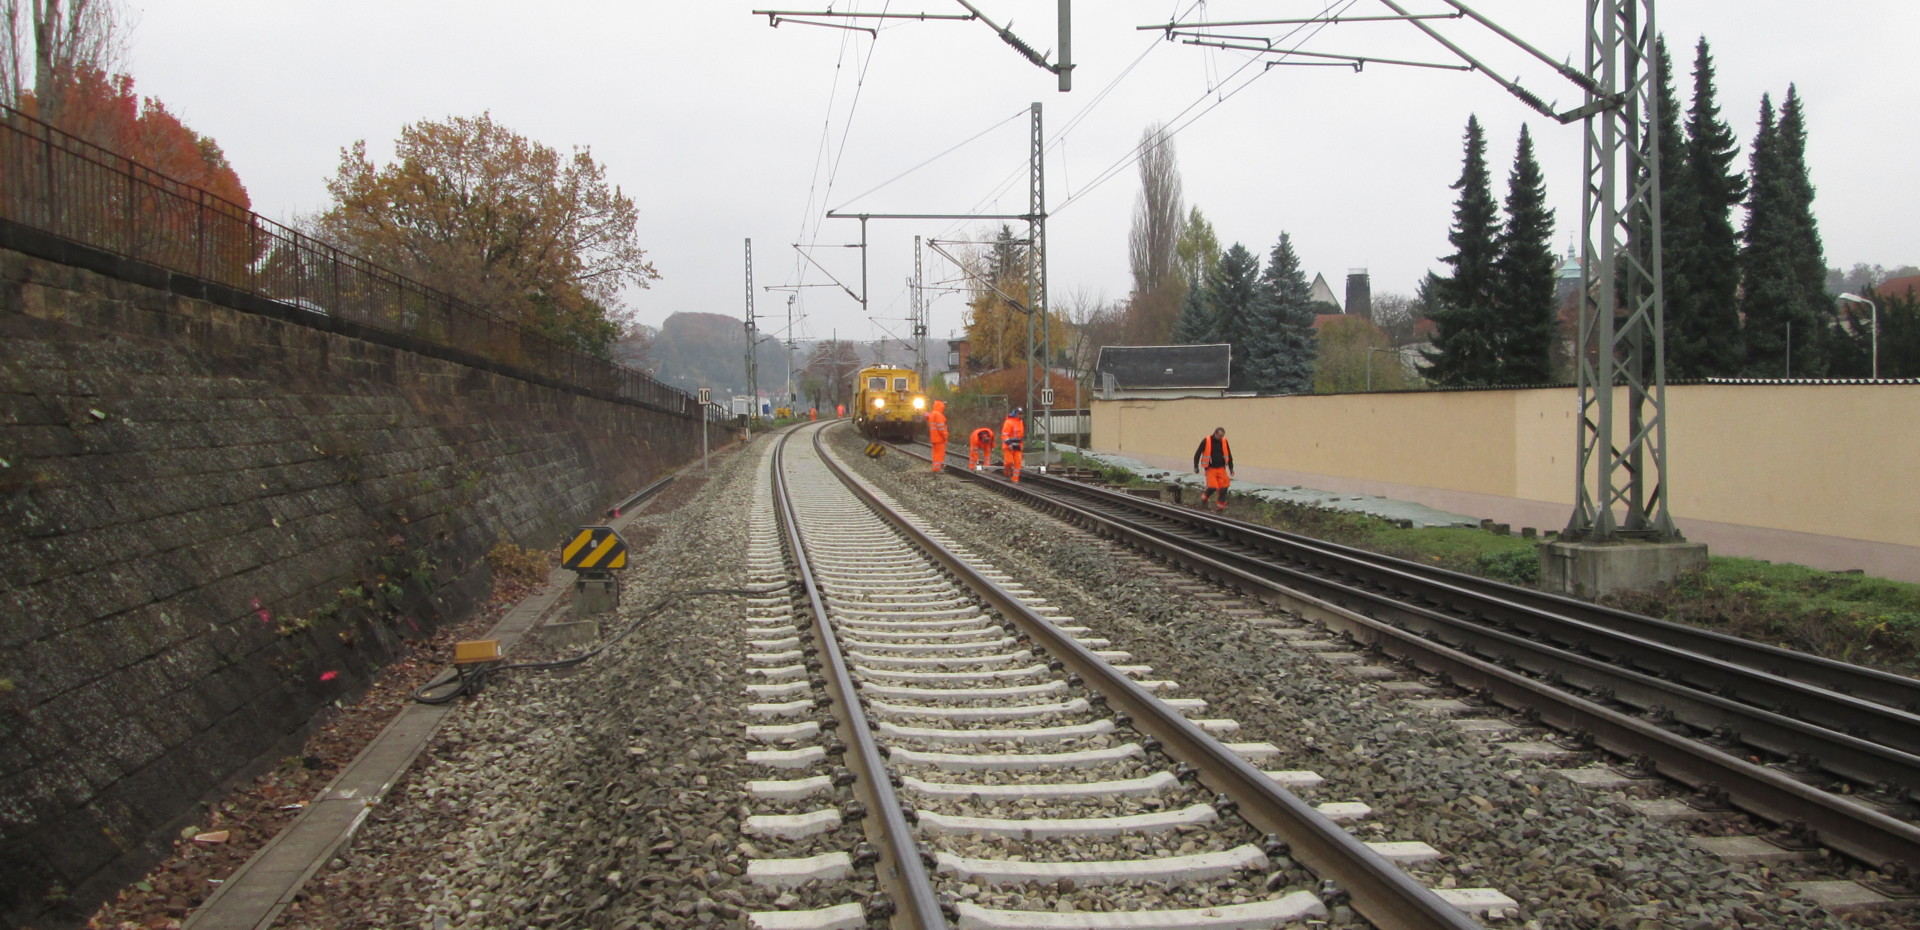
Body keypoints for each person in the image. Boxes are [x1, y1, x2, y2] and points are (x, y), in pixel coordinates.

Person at [1193, 426, 1234, 511]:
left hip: (1221, 467)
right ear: (1215, 433)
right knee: (1212, 486)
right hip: (1210, 468)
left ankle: (1220, 506)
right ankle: (1205, 496)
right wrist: (1196, 466)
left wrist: (1231, 467)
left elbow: (1229, 454)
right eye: (1219, 436)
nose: (1221, 438)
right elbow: (1198, 453)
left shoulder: (1224, 441)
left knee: (1224, 486)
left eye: (1222, 436)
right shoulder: (1206, 440)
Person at [1000, 407, 1026, 482]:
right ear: (1015, 414)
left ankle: (1015, 479)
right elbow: (1004, 435)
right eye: (1019, 414)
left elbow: (1020, 436)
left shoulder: (1020, 422)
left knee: (1018, 463)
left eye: (1021, 414)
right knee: (1009, 462)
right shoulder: (1008, 422)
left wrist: (1021, 445)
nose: (1020, 415)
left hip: (1017, 446)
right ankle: (1007, 473)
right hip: (1009, 446)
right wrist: (1009, 444)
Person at [926, 400, 949, 472]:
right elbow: (941, 427)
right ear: (941, 407)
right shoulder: (939, 415)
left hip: (934, 438)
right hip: (940, 438)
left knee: (935, 454)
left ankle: (935, 467)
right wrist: (945, 436)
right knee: (940, 454)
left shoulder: (932, 414)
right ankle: (937, 469)